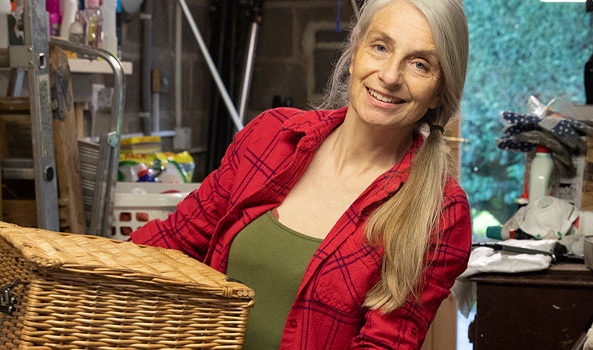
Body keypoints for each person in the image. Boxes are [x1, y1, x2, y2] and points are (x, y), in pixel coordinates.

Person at [130, 0, 470, 348]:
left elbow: (383, 343)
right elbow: (172, 242)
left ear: (438, 92)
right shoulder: (270, 136)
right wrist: (81, 269)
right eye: (380, 47)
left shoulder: (440, 211)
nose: (390, 75)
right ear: (355, 53)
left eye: (419, 64)